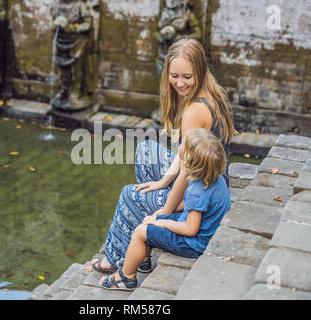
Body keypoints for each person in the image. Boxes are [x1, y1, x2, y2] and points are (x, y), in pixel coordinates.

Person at [91, 38, 237, 274]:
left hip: (204, 189)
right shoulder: (210, 93)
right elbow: (183, 156)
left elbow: (188, 171)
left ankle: (116, 258)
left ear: (199, 71)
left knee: (130, 194)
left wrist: (164, 211)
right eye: (174, 76)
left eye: (187, 77)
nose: (180, 83)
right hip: (213, 179)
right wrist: (163, 181)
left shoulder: (195, 111)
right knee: (146, 151)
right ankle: (145, 239)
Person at [99, 128, 231, 290]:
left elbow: (190, 229)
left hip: (193, 243)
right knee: (150, 218)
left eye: (184, 144)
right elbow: (195, 207)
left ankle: (126, 277)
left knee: (141, 231)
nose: (180, 144)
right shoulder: (215, 179)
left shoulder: (198, 190)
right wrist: (159, 218)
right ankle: (143, 260)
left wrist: (163, 223)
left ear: (189, 161)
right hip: (204, 230)